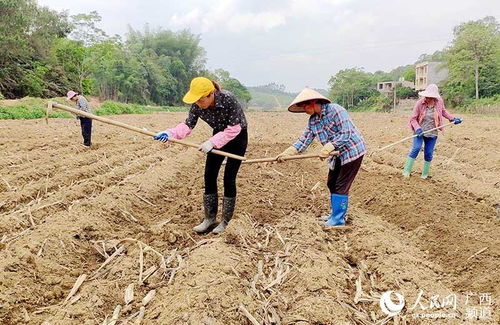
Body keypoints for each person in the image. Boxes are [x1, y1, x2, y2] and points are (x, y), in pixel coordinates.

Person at [154, 77, 248, 234]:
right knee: (209, 175)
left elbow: (234, 129)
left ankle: (225, 221)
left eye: (200, 99)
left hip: (237, 137)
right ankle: (209, 218)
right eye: (195, 100)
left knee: (228, 179)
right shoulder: (197, 105)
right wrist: (170, 133)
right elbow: (187, 125)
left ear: (210, 94)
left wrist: (212, 142)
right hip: (218, 135)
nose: (197, 103)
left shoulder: (228, 99)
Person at [276, 88, 366, 227]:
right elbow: (304, 140)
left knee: (341, 185)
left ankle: (338, 219)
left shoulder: (336, 110)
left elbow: (345, 133)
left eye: (304, 106)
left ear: (312, 102)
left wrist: (329, 146)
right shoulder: (313, 121)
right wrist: (288, 152)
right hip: (336, 155)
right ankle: (334, 213)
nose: (304, 109)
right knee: (331, 183)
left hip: (352, 152)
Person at [402, 84, 462, 179]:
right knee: (416, 148)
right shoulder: (419, 103)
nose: (428, 98)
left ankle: (424, 175)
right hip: (420, 131)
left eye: (431, 97)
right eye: (427, 96)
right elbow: (413, 119)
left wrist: (452, 119)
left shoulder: (439, 102)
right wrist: (417, 128)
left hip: (432, 132)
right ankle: (406, 171)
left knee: (429, 153)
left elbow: (443, 111)